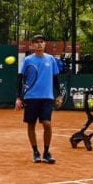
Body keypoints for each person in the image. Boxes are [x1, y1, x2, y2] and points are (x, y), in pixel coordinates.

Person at [15, 34, 63, 163]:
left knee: (47, 124)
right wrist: (19, 97)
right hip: (31, 97)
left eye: (41, 42)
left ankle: (47, 152)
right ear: (32, 45)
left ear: (45, 44)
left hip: (47, 97)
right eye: (36, 42)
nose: (39, 44)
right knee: (31, 125)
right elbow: (20, 79)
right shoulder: (28, 60)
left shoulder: (51, 59)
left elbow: (55, 78)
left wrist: (59, 94)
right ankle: (35, 152)